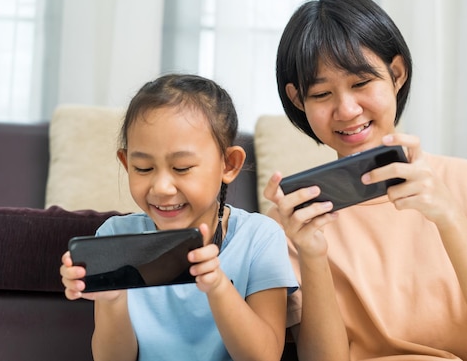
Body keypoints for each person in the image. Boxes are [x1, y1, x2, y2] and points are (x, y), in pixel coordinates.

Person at [263, 0, 467, 361]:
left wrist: (449, 217)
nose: (347, 109)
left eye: (361, 83)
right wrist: (312, 254)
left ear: (396, 74)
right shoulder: (291, 218)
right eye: (322, 94)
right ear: (298, 100)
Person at [60, 74, 298, 361]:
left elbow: (264, 357)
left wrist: (218, 287)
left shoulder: (260, 237)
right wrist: (112, 299)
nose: (161, 188)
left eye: (182, 168)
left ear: (229, 164)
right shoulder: (114, 237)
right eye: (144, 168)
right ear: (126, 164)